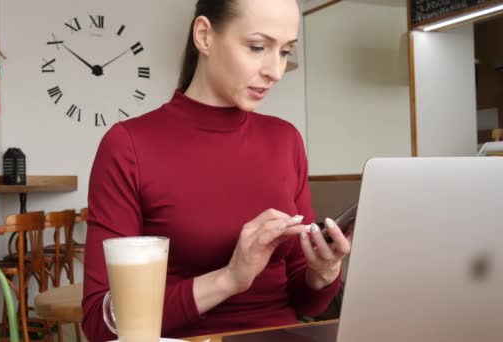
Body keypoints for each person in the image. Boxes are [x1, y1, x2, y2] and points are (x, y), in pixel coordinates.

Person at [82, 0, 352, 340]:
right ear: (204, 36)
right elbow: (99, 322)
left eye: (285, 51)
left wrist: (324, 271)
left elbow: (306, 301)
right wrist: (229, 279)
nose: (276, 71)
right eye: (258, 47)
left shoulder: (286, 139)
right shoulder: (127, 146)